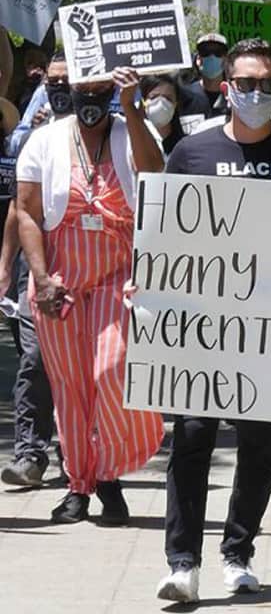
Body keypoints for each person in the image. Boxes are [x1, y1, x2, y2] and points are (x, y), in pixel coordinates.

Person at [155, 37, 271, 603]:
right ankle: (183, 562)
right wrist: (150, 281)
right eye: (245, 82)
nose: (255, 92)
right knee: (191, 436)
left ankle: (238, 554)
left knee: (259, 444)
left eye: (265, 83)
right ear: (225, 85)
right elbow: (166, 237)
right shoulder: (192, 152)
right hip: (204, 327)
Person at [13, 66, 166, 524]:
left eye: (101, 92)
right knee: (70, 388)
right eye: (81, 92)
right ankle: (81, 484)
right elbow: (26, 212)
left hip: (117, 277)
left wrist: (132, 105)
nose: (90, 101)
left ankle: (110, 472)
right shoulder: (45, 141)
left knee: (112, 370)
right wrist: (39, 279)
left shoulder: (129, 131)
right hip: (60, 280)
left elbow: (155, 172)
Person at [0, 54, 70, 489]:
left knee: (81, 367)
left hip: (90, 273)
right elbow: (18, 209)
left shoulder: (111, 135)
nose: (59, 89)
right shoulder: (33, 141)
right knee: (35, 359)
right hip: (35, 271)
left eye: (67, 81)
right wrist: (6, 264)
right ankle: (30, 453)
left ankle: (79, 455)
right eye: (52, 81)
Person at [181, 32, 230, 120]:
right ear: (198, 60)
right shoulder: (185, 95)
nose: (212, 57)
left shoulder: (234, 97)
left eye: (218, 52)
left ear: (225, 60)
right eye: (206, 52)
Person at [139, 74, 187, 154]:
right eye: (154, 97)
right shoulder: (134, 144)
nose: (161, 103)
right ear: (143, 101)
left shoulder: (186, 146)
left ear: (176, 103)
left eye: (168, 98)